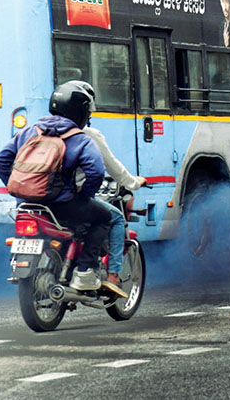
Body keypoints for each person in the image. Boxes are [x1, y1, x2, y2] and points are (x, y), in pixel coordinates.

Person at [0, 82, 110, 291]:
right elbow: (96, 172)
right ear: (80, 111)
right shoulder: (80, 139)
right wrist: (84, 197)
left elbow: (0, 161)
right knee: (103, 218)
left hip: (27, 205)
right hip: (62, 205)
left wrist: (18, 188)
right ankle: (84, 272)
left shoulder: (29, 132)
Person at [70, 80, 146, 297]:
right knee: (112, 217)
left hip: (35, 200)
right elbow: (111, 168)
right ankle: (111, 275)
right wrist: (133, 183)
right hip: (69, 200)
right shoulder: (88, 135)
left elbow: (3, 161)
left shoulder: (40, 130)